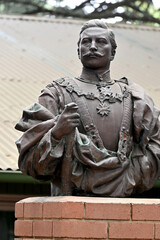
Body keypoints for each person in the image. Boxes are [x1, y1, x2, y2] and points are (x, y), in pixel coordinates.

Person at [15, 19, 160, 197]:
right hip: (70, 201)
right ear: (78, 51)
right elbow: (31, 162)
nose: (92, 46)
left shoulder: (134, 96)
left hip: (123, 191)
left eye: (100, 41)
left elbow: (155, 147)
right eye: (86, 41)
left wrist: (133, 174)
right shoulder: (56, 92)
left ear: (113, 52)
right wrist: (57, 132)